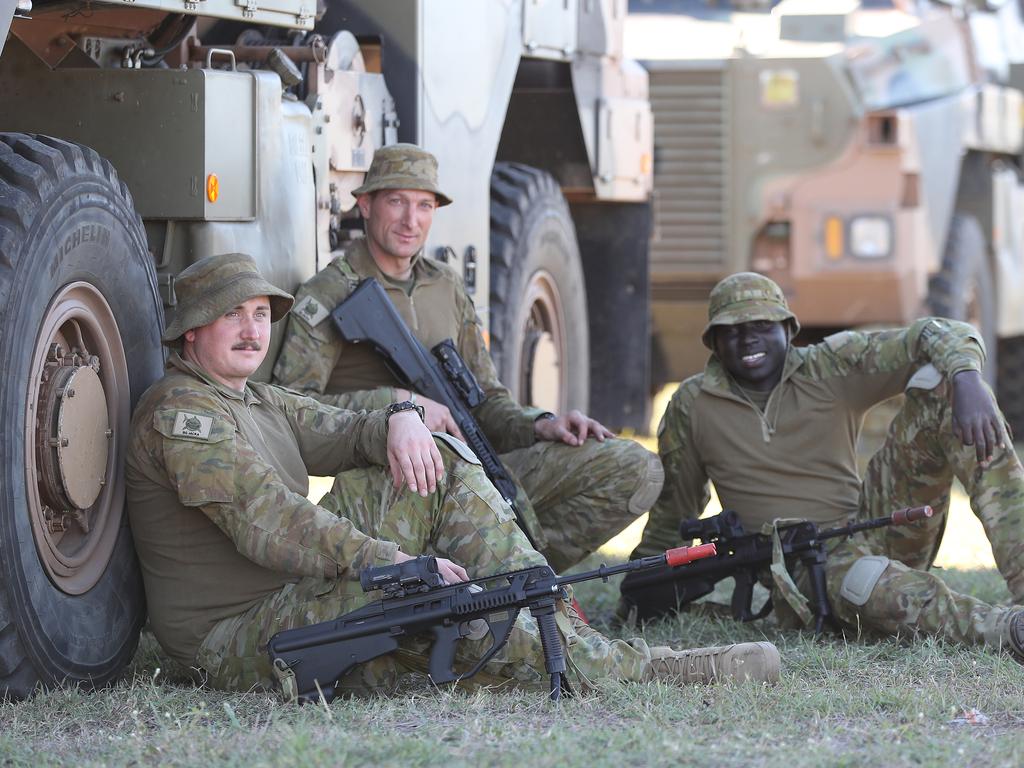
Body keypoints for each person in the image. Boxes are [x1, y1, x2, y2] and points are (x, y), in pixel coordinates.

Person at [125, 253, 781, 696]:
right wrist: (395, 562)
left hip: (290, 596)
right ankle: (642, 671)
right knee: (441, 610)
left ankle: (557, 621)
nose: (251, 329)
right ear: (190, 335)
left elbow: (341, 426)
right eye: (232, 315)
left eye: (261, 314)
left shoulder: (254, 399)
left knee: (437, 459)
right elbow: (269, 522)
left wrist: (402, 416)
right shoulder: (185, 415)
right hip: (232, 637)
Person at [271, 143, 662, 572]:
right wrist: (400, 405)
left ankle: (507, 573)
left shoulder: (447, 286)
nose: (410, 220)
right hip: (394, 481)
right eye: (396, 202)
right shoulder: (328, 294)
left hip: (469, 464)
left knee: (635, 469)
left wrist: (539, 423)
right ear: (364, 205)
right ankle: (494, 572)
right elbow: (289, 408)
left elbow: (485, 400)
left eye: (424, 205)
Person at [623, 271, 1024, 656]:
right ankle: (1009, 630)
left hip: (882, 525)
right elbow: (674, 511)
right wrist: (642, 585)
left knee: (945, 386)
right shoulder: (691, 406)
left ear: (788, 329)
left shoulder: (829, 366)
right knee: (866, 585)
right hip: (803, 566)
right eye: (732, 330)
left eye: (761, 325)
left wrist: (967, 377)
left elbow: (935, 333)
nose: (747, 339)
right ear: (713, 341)